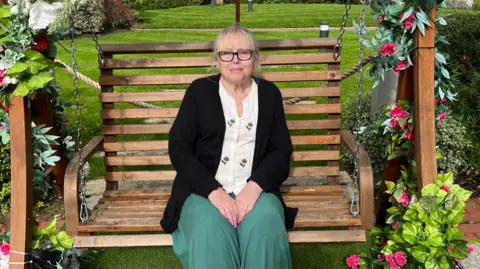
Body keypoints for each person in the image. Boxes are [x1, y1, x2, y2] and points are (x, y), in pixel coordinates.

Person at [160, 23, 297, 269]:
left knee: (265, 226)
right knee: (210, 232)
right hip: (202, 190)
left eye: (243, 53)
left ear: (254, 58)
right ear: (217, 59)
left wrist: (254, 188)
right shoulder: (199, 91)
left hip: (256, 188)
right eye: (227, 53)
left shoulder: (269, 94)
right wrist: (214, 191)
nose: (235, 60)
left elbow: (280, 151)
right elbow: (179, 148)